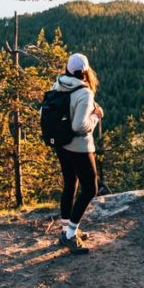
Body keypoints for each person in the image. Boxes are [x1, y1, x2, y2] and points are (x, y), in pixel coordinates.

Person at [52, 52, 104, 254]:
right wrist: (96, 116)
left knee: (70, 185)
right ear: (84, 72)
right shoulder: (84, 93)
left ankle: (66, 230)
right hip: (79, 148)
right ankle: (70, 235)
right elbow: (79, 125)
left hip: (62, 145)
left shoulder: (58, 84)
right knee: (91, 188)